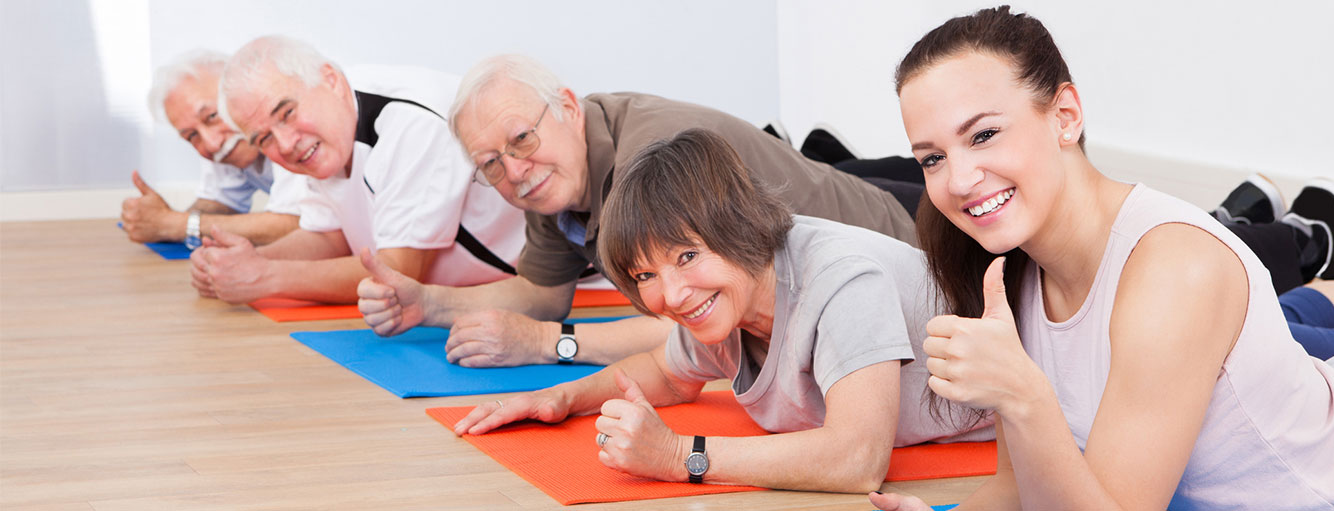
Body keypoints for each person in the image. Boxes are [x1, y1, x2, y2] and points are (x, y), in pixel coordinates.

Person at [871, 7, 1334, 511]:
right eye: (932, 158)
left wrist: (1024, 394)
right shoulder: (1012, 273)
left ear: (1065, 117)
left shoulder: (1175, 270)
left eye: (983, 135)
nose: (957, 181)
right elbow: (1018, 487)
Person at [453, 129, 991, 491]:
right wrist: (562, 398)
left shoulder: (843, 279)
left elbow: (858, 461)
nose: (672, 295)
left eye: (686, 256)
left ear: (737, 225)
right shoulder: (725, 299)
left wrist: (676, 455)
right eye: (645, 276)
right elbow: (667, 372)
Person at [357, 54, 925, 368]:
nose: (513, 171)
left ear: (569, 109)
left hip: (907, 246)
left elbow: (688, 321)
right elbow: (541, 293)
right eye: (490, 164)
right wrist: (429, 303)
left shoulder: (643, 165)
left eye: (522, 139)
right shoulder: (550, 178)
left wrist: (545, 344)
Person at [199, 36, 526, 304]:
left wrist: (265, 277)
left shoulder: (410, 121)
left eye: (286, 113)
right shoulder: (329, 127)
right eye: (264, 137)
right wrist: (241, 263)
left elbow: (398, 275)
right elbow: (328, 237)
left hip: (552, 292)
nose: (284, 145)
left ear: (331, 80)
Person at [124, 49, 306, 247]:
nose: (212, 143)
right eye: (191, 136)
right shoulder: (222, 143)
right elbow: (219, 203)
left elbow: (300, 225)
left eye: (212, 116)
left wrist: (175, 224)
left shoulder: (290, 130)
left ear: (243, 93)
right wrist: (159, 218)